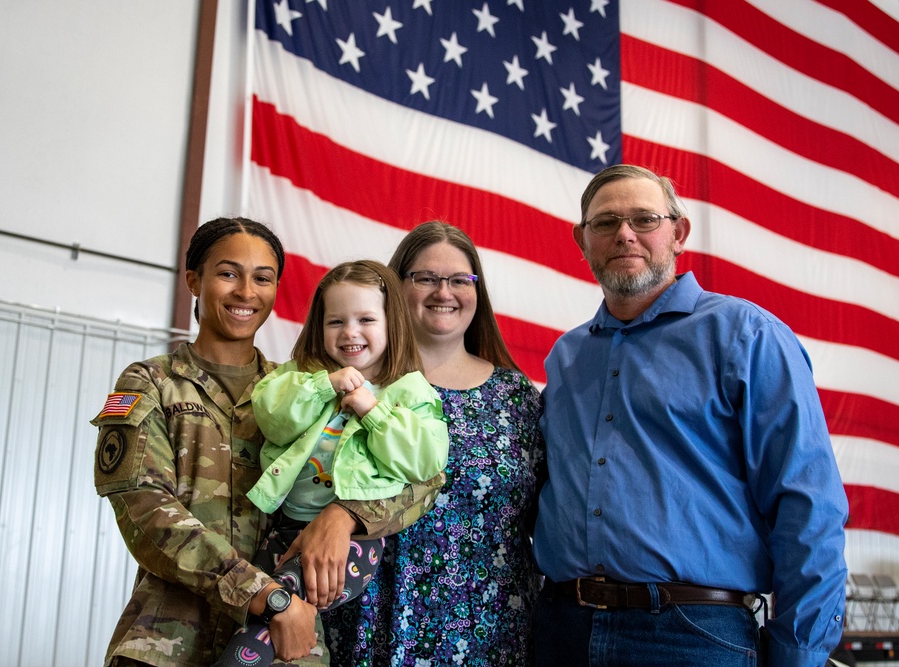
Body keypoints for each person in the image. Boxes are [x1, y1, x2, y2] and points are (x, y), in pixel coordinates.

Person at [532, 164, 848, 667]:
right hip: (560, 629)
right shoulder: (565, 359)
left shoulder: (746, 336)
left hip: (694, 635)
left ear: (678, 233)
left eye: (645, 219)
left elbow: (807, 506)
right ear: (582, 240)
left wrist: (798, 653)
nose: (625, 235)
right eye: (606, 222)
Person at [91, 217, 443, 667]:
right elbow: (146, 513)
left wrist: (345, 516)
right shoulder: (151, 383)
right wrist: (266, 596)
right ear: (194, 280)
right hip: (171, 641)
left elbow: (426, 478)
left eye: (262, 278)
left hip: (288, 648)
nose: (245, 291)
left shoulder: (305, 389)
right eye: (227, 273)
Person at [323, 222, 545, 666]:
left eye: (460, 279)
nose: (443, 291)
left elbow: (546, 514)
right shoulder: (348, 383)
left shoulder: (516, 397)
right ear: (394, 287)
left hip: (489, 632)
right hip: (365, 624)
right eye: (425, 278)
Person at [214, 260, 449, 667]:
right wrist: (326, 384)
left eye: (366, 319)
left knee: (275, 606)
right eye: (335, 321)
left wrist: (372, 411)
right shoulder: (303, 375)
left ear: (392, 324)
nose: (350, 332)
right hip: (286, 527)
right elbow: (271, 414)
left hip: (356, 543)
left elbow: (424, 460)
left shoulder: (409, 390)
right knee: (249, 605)